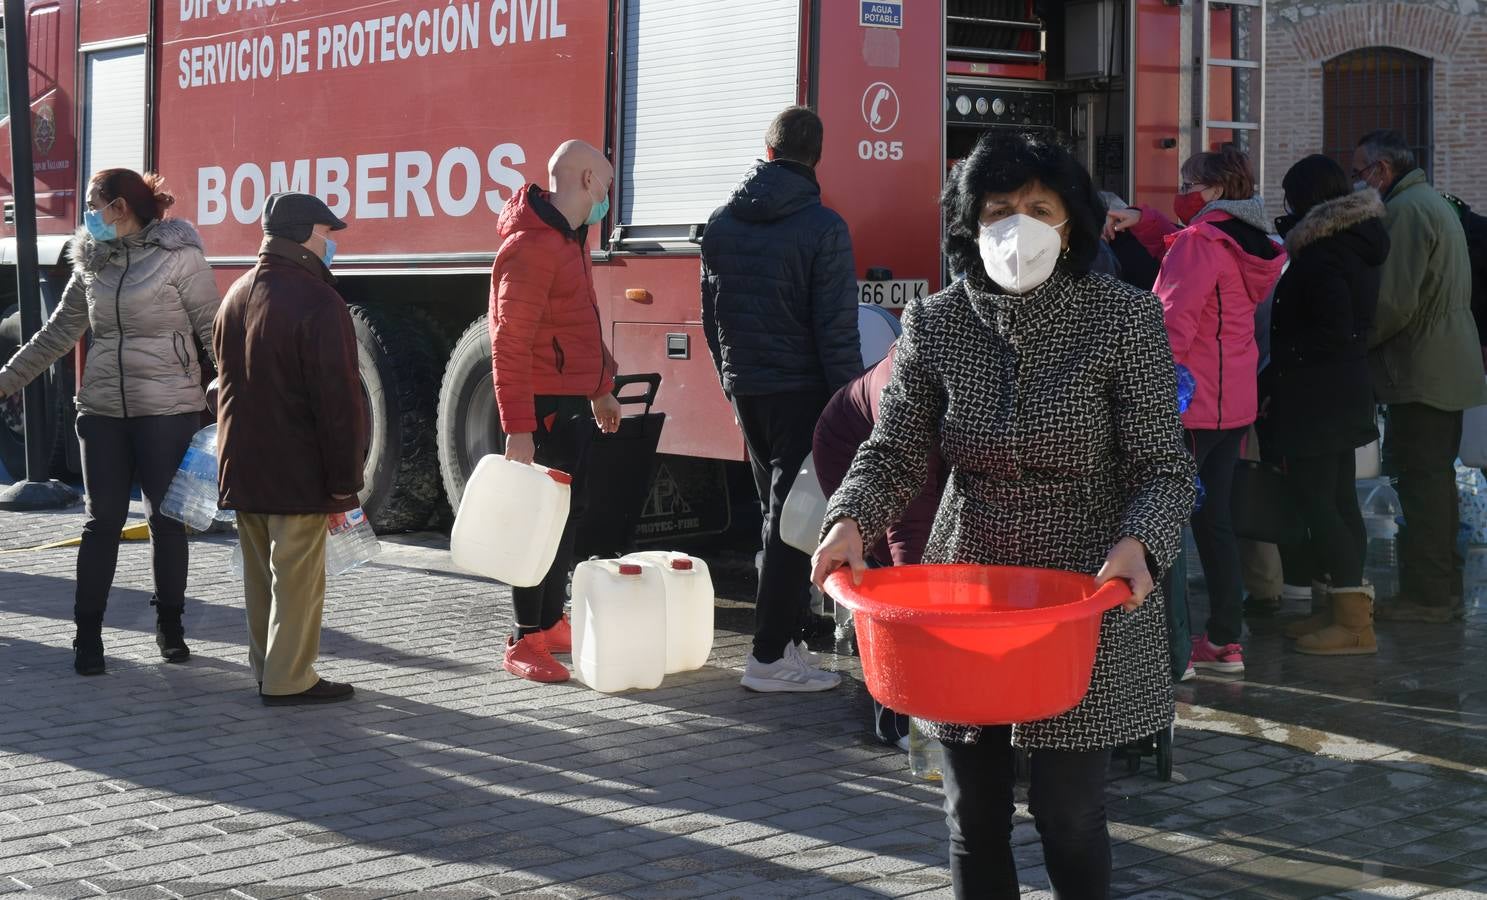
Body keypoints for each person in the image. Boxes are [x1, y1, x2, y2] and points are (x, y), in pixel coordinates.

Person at [813, 130, 1196, 899]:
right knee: (972, 813)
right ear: (969, 223)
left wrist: (1141, 545)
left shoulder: (1122, 318)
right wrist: (850, 518)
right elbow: (894, 450)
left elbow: (1163, 464)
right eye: (997, 209)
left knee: (1068, 813)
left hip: (1083, 592)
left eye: (1037, 208)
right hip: (968, 593)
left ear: (1070, 223)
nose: (1015, 226)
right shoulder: (936, 322)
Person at [0, 169, 219, 675]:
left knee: (166, 522)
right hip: (101, 412)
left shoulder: (180, 257)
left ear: (120, 207)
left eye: (94, 205)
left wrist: (234, 389)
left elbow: (214, 330)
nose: (88, 216)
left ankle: (170, 626)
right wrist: (5, 381)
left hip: (168, 410)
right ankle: (88, 636)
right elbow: (56, 336)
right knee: (102, 524)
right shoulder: (91, 263)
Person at [1107, 146, 1287, 675]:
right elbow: (1188, 250)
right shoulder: (1253, 242)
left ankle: (1173, 649)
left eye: (1188, 182)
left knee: (1160, 521)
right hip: (1233, 408)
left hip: (1189, 406)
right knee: (1215, 521)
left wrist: (1135, 389)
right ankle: (1226, 641)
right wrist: (1147, 221)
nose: (1181, 189)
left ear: (1210, 190)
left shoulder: (1199, 244)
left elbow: (1170, 327)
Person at [701, 105, 861, 693]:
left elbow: (709, 317)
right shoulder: (824, 228)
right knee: (791, 522)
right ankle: (768, 658)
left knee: (777, 517)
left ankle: (785, 644)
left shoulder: (721, 223)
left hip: (750, 389)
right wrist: (851, 406)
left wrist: (730, 378)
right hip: (804, 393)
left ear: (767, 152)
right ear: (816, 159)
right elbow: (837, 330)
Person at [214, 192, 366, 705]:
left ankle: (266, 668)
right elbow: (338, 401)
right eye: (328, 234)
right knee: (298, 582)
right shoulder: (318, 300)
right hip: (298, 471)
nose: (332, 245)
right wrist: (344, 485)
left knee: (259, 580)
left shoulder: (235, 293)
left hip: (244, 467)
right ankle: (291, 680)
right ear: (304, 235)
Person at [490, 140, 622, 683]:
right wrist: (519, 427)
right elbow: (508, 343)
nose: (608, 198)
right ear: (588, 178)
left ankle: (548, 621)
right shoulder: (531, 248)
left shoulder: (570, 241)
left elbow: (579, 327)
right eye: (607, 186)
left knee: (566, 518)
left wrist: (602, 387)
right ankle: (524, 639)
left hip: (569, 404)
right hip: (543, 409)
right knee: (537, 525)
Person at [1259, 155, 1391, 654]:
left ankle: (1355, 623)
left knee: (1321, 500)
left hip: (1320, 394)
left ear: (1309, 200)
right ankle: (1339, 606)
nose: (1286, 208)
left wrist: (1281, 363)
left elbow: (1332, 329)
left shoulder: (1325, 251)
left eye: (1292, 198)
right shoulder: (1354, 241)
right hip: (1339, 389)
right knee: (1336, 499)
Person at [1352, 130, 1486, 622]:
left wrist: (1355, 345)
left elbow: (1393, 301)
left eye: (1359, 172)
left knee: (1422, 484)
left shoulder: (1407, 210)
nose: (1357, 183)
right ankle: (1441, 589)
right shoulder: (1431, 203)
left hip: (1423, 369)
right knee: (1434, 485)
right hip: (1444, 363)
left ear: (1381, 170)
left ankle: (1427, 597)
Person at [812, 344, 949, 745]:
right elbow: (910, 525)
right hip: (852, 455)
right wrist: (920, 598)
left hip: (922, 461)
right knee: (899, 583)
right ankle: (896, 714)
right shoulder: (910, 379)